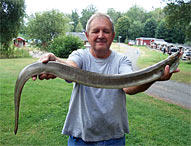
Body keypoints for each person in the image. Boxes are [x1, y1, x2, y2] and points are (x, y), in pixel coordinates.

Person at [32, 13, 180, 145]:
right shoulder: (80, 55)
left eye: (106, 31)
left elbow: (129, 86)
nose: (101, 35)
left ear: (113, 35)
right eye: (95, 31)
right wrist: (55, 62)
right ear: (87, 35)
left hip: (113, 139)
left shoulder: (122, 60)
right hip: (80, 138)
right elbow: (71, 69)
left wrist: (153, 78)